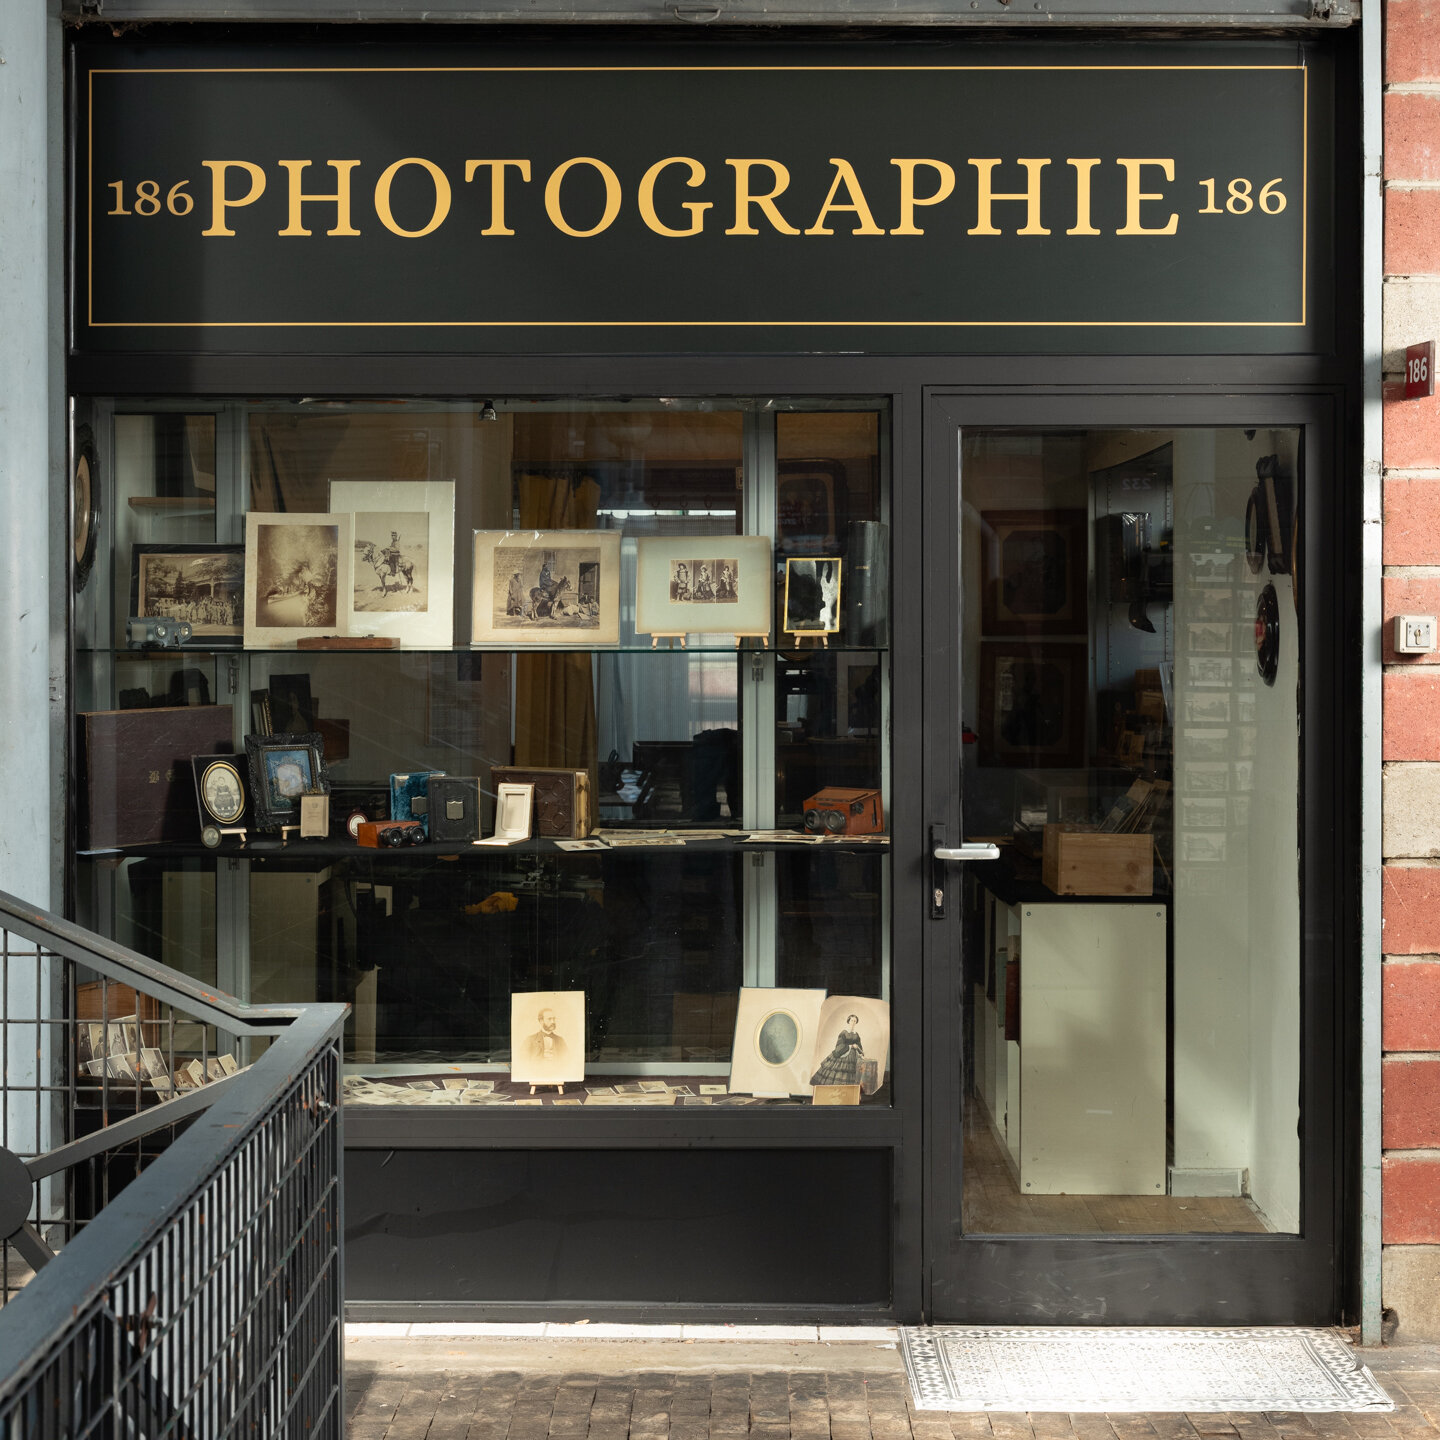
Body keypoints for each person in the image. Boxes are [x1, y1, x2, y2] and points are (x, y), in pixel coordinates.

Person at [809, 1014, 863, 1085]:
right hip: (843, 1053)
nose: (853, 1022)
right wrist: (851, 1046)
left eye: (855, 1021)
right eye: (852, 1020)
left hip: (853, 1056)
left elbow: (859, 1045)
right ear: (848, 1021)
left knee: (851, 1073)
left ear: (856, 1023)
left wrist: (859, 1049)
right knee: (840, 1072)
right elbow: (839, 1045)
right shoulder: (844, 1033)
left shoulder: (856, 1034)